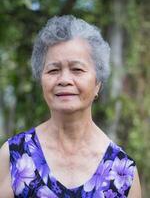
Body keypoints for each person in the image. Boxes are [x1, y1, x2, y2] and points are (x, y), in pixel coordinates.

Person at [0, 15, 141, 198]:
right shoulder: (14, 156)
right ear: (41, 80)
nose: (64, 80)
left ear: (97, 82)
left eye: (77, 69)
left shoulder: (124, 171)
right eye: (53, 70)